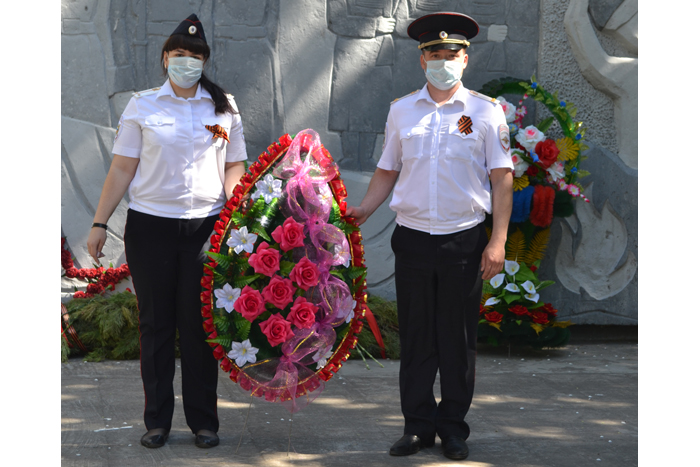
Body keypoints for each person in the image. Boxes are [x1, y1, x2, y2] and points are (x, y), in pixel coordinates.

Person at [346, 12, 514, 461]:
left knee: (457, 340)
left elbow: (501, 179)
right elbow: (388, 169)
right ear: (422, 61)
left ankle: (453, 427)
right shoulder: (402, 110)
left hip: (464, 239)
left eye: (452, 55)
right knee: (418, 337)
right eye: (435, 55)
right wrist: (364, 207)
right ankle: (417, 426)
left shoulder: (485, 111)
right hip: (414, 237)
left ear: (466, 59)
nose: (444, 62)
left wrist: (497, 241)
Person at [86, 14, 247, 449]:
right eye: (179, 54)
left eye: (195, 56)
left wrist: (238, 208)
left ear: (204, 61)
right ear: (165, 59)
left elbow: (234, 166)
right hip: (151, 227)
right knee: (155, 325)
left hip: (206, 228)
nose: (187, 61)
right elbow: (122, 167)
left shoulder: (223, 106)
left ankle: (204, 422)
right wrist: (100, 222)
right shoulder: (142, 105)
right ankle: (156, 420)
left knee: (198, 327)